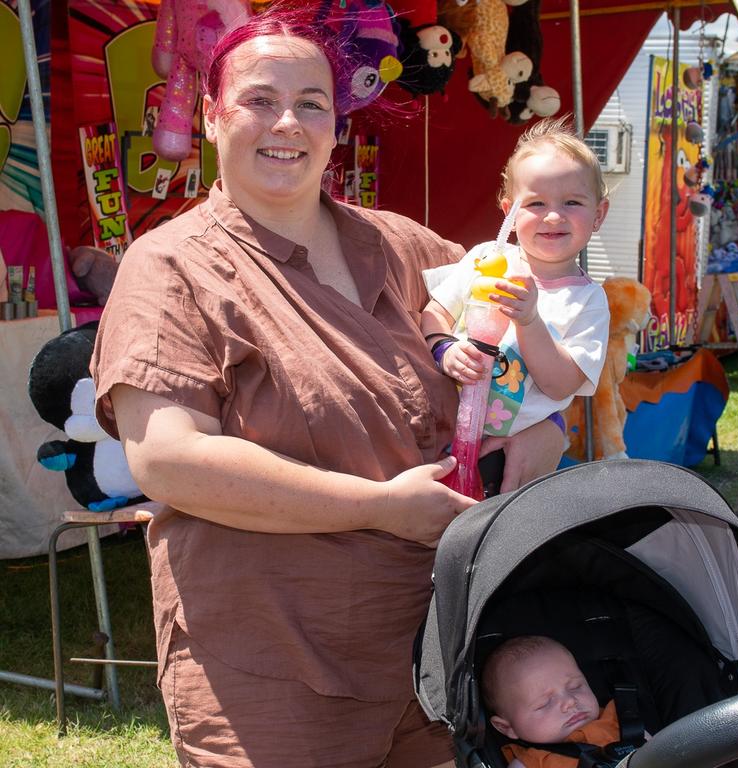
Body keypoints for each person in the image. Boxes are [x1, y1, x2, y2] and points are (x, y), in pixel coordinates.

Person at [89, 7, 566, 767]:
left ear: (338, 125)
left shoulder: (411, 248)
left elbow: (541, 369)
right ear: (211, 116)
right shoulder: (171, 268)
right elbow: (167, 461)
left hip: (437, 654)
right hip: (275, 675)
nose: (288, 121)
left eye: (312, 102)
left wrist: (542, 437)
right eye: (258, 100)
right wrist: (382, 509)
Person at [420, 117, 610, 440]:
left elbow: (560, 385)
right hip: (440, 430)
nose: (553, 216)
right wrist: (444, 350)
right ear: (509, 212)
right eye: (536, 203)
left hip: (506, 455)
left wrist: (530, 320)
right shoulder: (486, 259)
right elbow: (434, 313)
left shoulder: (588, 302)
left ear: (598, 215)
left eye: (572, 202)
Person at [481, 635, 643, 768]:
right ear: (506, 727)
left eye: (575, 687)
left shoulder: (620, 721)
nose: (570, 702)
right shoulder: (532, 763)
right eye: (545, 703)